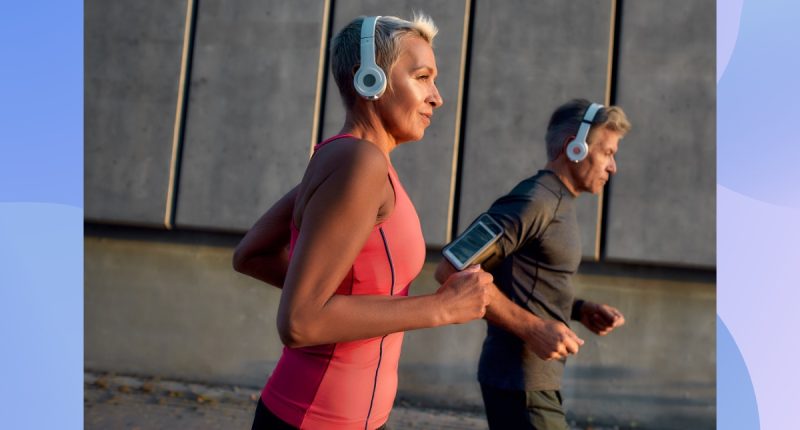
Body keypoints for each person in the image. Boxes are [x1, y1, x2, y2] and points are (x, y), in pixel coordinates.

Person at [233, 14, 493, 430]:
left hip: (347, 416)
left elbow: (251, 254)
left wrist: (343, 302)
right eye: (422, 77)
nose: (437, 97)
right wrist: (442, 307)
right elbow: (299, 322)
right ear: (370, 79)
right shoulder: (359, 162)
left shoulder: (347, 159)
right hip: (317, 420)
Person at [435, 99, 631, 429]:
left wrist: (579, 308)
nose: (613, 166)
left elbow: (523, 280)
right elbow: (452, 270)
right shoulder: (534, 200)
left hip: (533, 382)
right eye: (608, 152)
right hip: (519, 383)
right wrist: (533, 328)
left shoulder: (557, 201)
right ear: (576, 148)